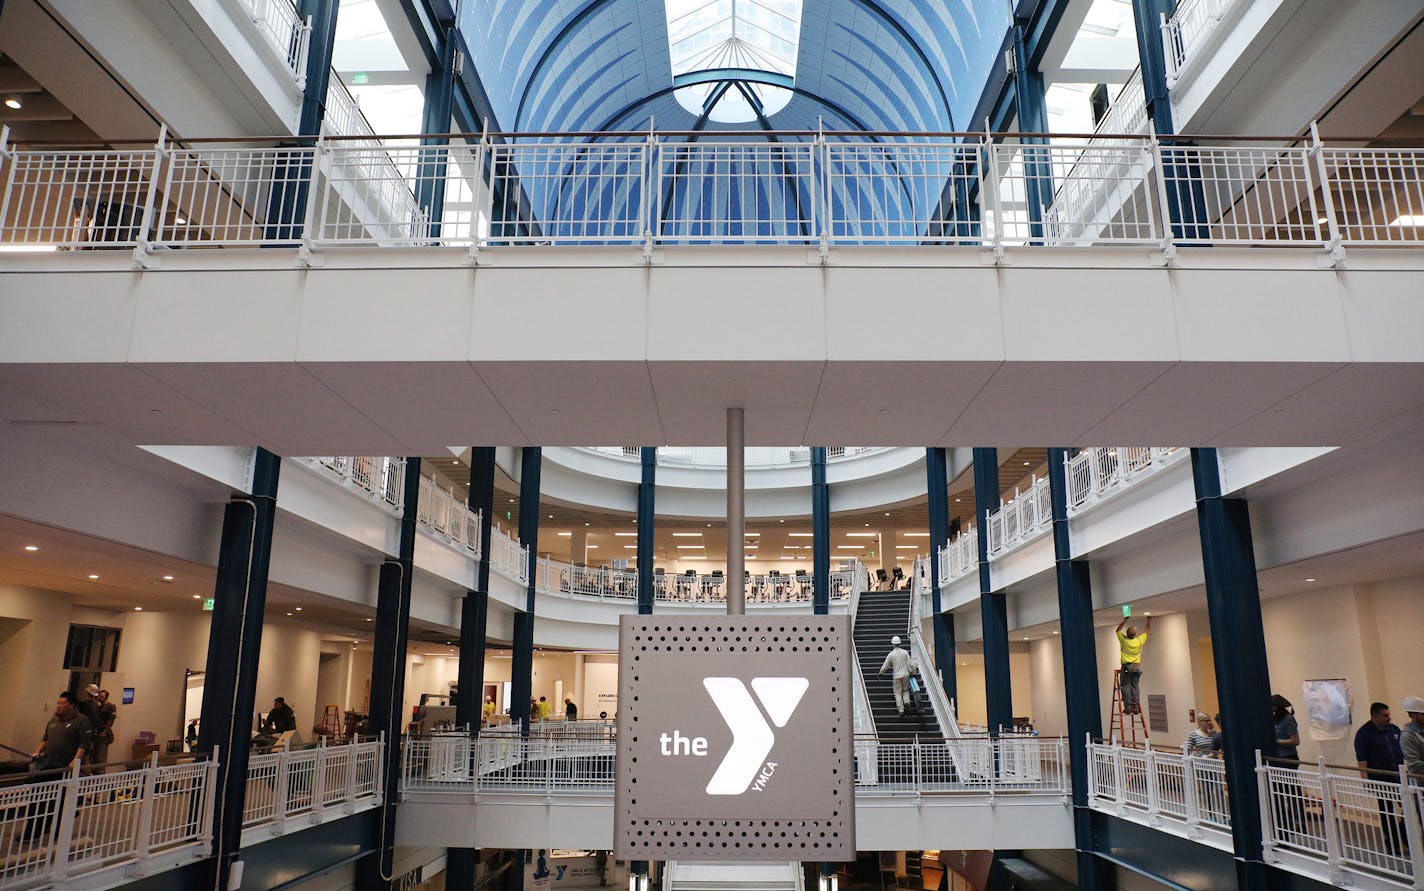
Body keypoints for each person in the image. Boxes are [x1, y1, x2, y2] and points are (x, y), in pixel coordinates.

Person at [1354, 701, 1405, 856]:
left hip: (1399, 777)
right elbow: (1362, 759)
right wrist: (1366, 779)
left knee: (1409, 809)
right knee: (1387, 811)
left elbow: (1403, 751)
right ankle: (1393, 843)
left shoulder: (1394, 730)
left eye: (1388, 715)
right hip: (1381, 779)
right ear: (1375, 716)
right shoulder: (1364, 734)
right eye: (1385, 715)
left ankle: (1403, 836)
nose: (1388, 718)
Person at [33, 691, 94, 772]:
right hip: (48, 764)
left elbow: (83, 745)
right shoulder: (53, 721)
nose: (58, 706)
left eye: (62, 704)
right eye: (58, 703)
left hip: (66, 767)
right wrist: (37, 752)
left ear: (71, 705)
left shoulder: (82, 721)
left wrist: (75, 761)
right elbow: (45, 739)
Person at [1115, 615, 1151, 715]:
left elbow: (1117, 630)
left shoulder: (1124, 640)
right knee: (1135, 686)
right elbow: (1146, 631)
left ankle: (1128, 707)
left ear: (1127, 634)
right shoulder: (1139, 640)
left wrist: (1125, 620)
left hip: (1126, 666)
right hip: (1136, 667)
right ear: (1135, 635)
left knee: (1126, 686)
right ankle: (1136, 707)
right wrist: (1148, 621)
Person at [878, 635, 912, 716]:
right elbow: (910, 664)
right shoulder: (905, 652)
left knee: (898, 693)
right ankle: (907, 702)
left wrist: (881, 673)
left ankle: (901, 710)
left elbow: (885, 666)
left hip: (897, 676)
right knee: (906, 690)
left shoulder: (891, 655)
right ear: (900, 643)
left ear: (892, 644)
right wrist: (912, 671)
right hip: (905, 675)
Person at [91, 688, 117, 767]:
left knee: (100, 756)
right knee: (95, 755)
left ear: (106, 698)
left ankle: (100, 773)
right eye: (99, 696)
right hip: (97, 732)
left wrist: (105, 731)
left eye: (102, 696)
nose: (100, 698)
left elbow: (110, 720)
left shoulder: (110, 706)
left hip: (104, 733)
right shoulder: (98, 707)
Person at [1402, 696, 1424, 779]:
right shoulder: (1407, 736)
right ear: (1413, 715)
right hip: (1420, 783)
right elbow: (1415, 765)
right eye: (1422, 714)